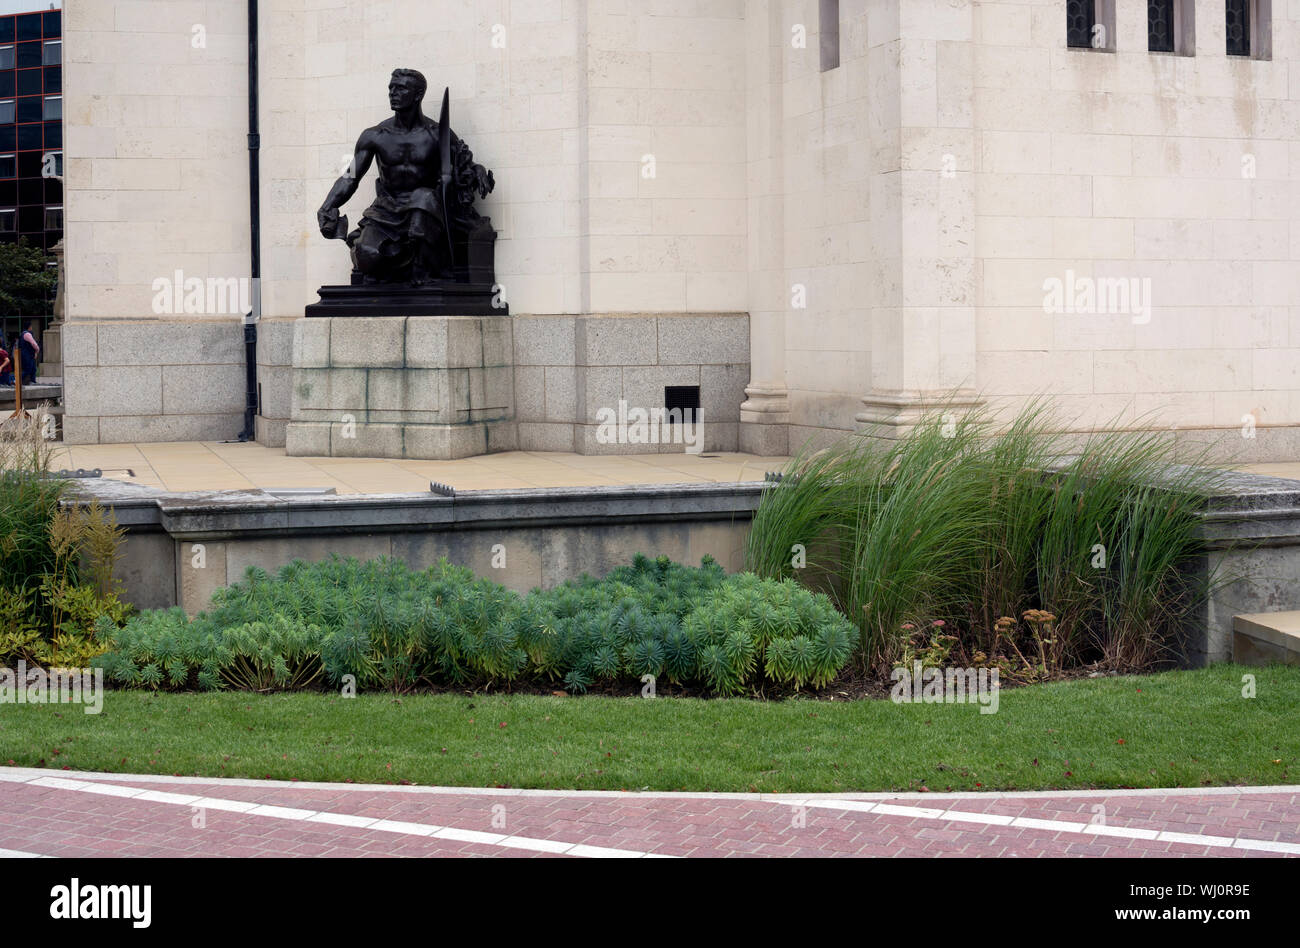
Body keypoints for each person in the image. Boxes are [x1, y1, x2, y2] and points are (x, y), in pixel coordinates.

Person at [19, 319, 39, 386]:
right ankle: (17, 380)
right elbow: (34, 344)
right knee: (28, 368)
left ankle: (32, 381)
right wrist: (37, 350)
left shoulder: (22, 333)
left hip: (25, 353)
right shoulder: (27, 334)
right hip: (27, 354)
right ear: (29, 326)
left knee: (33, 368)